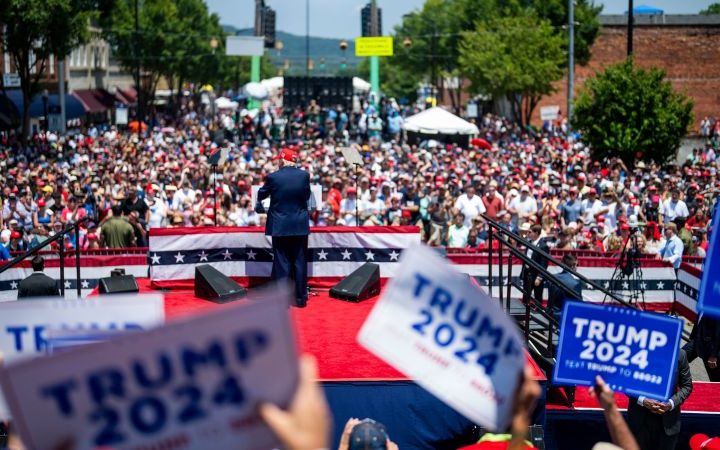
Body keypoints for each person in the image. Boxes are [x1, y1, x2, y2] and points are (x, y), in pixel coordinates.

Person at [256, 147, 311, 308]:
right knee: (299, 262)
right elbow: (307, 196)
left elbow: (262, 194)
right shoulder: (304, 176)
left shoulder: (273, 177)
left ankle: (282, 300)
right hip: (299, 224)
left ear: (282, 160)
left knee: (282, 263)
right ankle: (300, 299)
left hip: (280, 225)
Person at [627, 348, 693, 450]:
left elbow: (687, 386)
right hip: (640, 422)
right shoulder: (636, 351)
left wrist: (671, 403)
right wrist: (643, 400)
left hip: (668, 424)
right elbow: (626, 383)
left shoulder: (680, 354)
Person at [683, 314, 720, 382]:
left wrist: (713, 355)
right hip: (697, 341)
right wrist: (692, 337)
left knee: (716, 381)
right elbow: (699, 321)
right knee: (678, 359)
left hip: (711, 347)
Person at [548, 253, 583, 322]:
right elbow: (578, 306)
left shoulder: (552, 277)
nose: (577, 267)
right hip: (566, 317)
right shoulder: (575, 284)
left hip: (550, 315)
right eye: (577, 265)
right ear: (573, 265)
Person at [520, 224, 549, 304]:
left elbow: (544, 263)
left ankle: (538, 311)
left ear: (536, 233)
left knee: (538, 297)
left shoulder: (543, 246)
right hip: (527, 274)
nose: (528, 234)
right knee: (525, 297)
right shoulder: (529, 242)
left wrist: (539, 277)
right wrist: (523, 273)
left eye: (530, 232)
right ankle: (525, 310)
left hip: (536, 275)